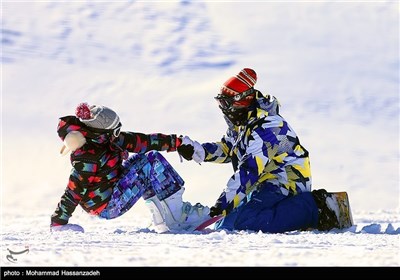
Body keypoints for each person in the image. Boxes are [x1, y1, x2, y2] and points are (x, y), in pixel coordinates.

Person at [176, 68, 341, 233]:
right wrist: (200, 151)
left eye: (226, 103)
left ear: (242, 100)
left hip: (286, 183)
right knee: (225, 226)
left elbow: (249, 172)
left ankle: (318, 207)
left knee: (245, 223)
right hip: (263, 184)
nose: (222, 108)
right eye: (220, 102)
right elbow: (228, 149)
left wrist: (221, 205)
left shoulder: (267, 127)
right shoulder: (242, 123)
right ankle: (291, 213)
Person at [50, 103, 210, 233]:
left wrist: (179, 143)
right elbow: (74, 190)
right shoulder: (88, 156)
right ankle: (178, 216)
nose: (120, 134)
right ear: (102, 133)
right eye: (117, 130)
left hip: (112, 190)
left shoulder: (109, 139)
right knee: (149, 164)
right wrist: (59, 222)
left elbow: (145, 141)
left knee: (145, 160)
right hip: (107, 206)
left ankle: (162, 216)